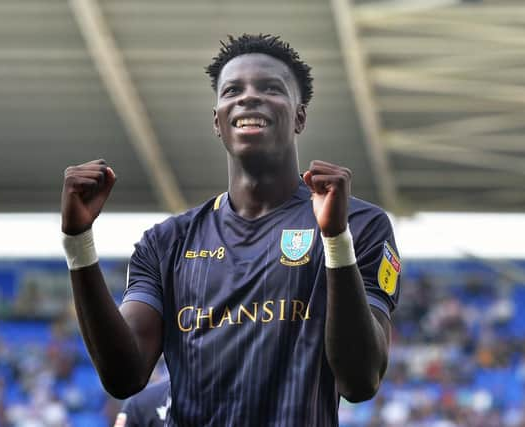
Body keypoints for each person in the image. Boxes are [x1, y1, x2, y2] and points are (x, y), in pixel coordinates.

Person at [61, 33, 401, 426]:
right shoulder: (166, 242)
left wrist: (335, 241)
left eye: (270, 88)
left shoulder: (358, 225)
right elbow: (124, 376)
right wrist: (79, 243)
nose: (248, 97)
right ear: (218, 120)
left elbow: (360, 382)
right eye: (233, 90)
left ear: (299, 116)